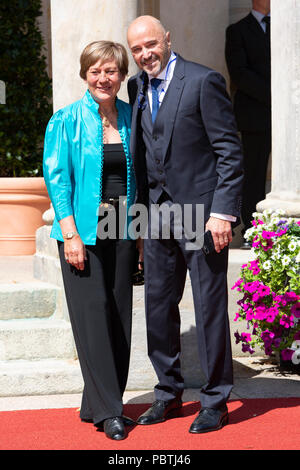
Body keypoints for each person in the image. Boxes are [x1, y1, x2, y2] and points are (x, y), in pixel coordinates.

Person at [127, 16, 243, 434]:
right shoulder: (136, 87)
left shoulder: (203, 81)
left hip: (202, 215)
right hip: (156, 216)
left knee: (209, 307)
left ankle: (215, 400)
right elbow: (143, 156)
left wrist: (222, 213)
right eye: (137, 49)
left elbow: (229, 151)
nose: (145, 54)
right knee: (158, 306)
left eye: (151, 44)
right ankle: (168, 393)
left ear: (168, 40)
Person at [43, 41, 138, 441]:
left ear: (121, 76)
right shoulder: (65, 120)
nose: (104, 78)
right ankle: (110, 412)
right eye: (96, 70)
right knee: (93, 317)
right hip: (81, 230)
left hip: (124, 227)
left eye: (112, 71)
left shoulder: (133, 116)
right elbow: (57, 178)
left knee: (118, 318)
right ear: (85, 74)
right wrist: (70, 234)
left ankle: (97, 401)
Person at [225, 0, 271, 249]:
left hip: (287, 115)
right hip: (255, 114)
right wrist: (275, 95)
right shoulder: (237, 31)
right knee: (253, 172)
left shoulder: (284, 27)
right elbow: (240, 74)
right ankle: (252, 229)